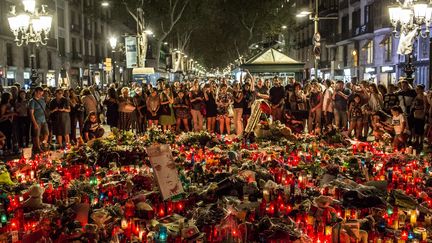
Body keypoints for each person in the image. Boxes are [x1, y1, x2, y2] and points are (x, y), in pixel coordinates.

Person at [29, 87, 49, 153]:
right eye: (39, 93)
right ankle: (38, 148)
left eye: (41, 94)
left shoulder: (42, 100)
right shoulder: (32, 101)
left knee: (46, 133)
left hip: (43, 120)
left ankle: (43, 143)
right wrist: (34, 123)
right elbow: (31, 113)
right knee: (37, 135)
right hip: (37, 121)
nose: (41, 95)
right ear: (35, 92)